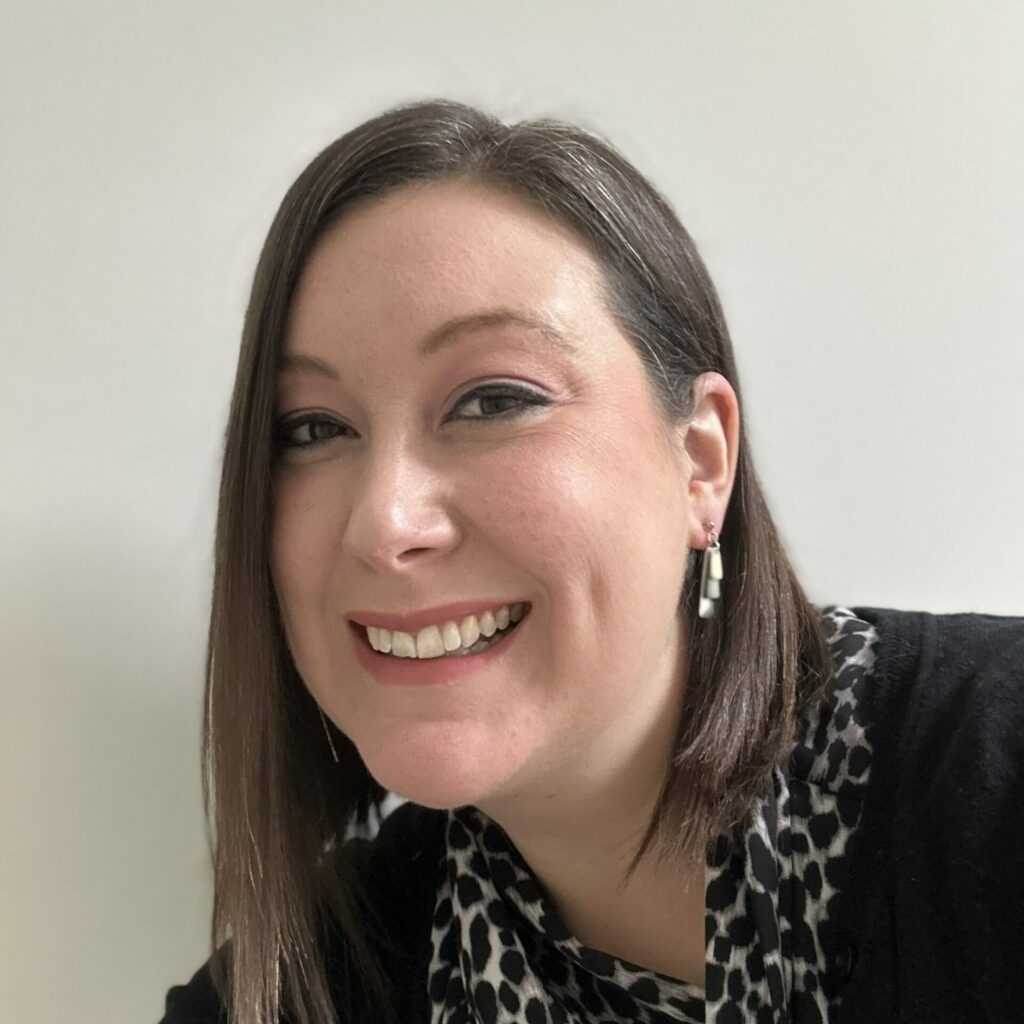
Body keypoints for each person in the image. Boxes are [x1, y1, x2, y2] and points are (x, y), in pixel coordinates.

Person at [160, 100, 1024, 1024]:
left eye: (494, 400)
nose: (385, 523)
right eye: (315, 428)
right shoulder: (289, 997)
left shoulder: (993, 780)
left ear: (701, 461)